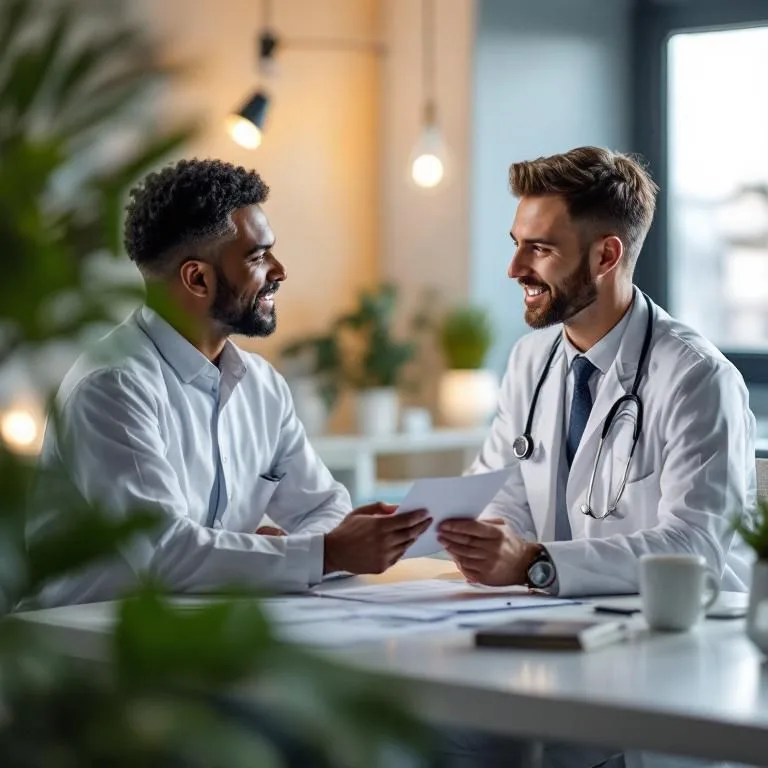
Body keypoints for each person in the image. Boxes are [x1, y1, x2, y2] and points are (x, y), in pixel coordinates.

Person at [32, 158, 430, 606]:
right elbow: (166, 553)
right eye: (258, 257)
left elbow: (324, 508)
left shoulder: (262, 385)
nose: (279, 271)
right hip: (85, 649)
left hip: (203, 631)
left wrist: (293, 550)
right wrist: (322, 552)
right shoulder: (113, 387)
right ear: (197, 278)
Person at [438, 145, 755, 598]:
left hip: (678, 634)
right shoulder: (530, 359)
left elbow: (694, 548)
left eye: (540, 248)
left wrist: (533, 563)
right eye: (516, 245)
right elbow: (503, 490)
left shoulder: (698, 378)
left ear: (606, 257)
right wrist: (486, 540)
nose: (515, 269)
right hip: (553, 620)